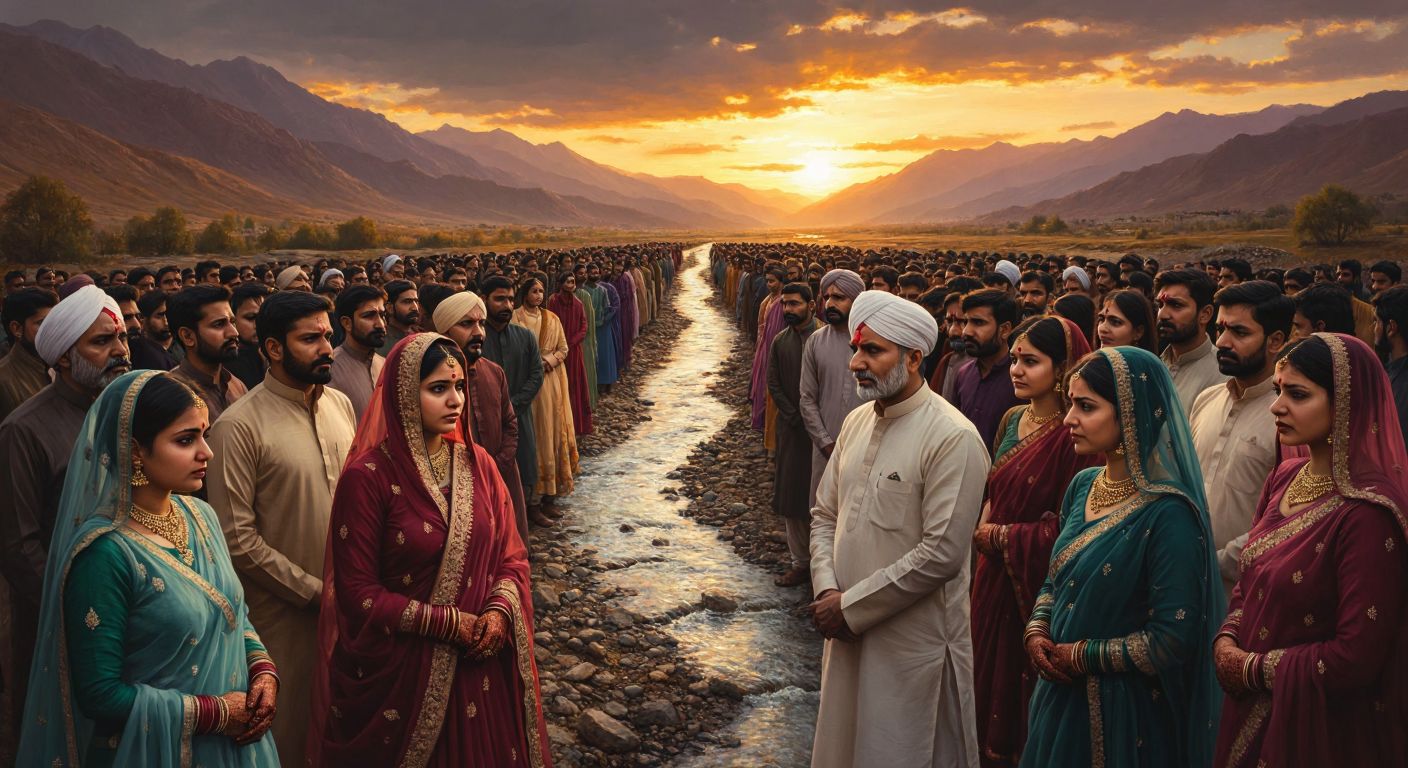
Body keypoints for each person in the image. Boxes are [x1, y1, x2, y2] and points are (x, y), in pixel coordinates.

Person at [306, 334, 551, 767]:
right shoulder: (368, 478)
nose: (454, 400)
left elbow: (511, 559)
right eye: (437, 388)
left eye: (458, 387)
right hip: (401, 675)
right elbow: (358, 594)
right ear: (403, 394)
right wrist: (448, 624)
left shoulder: (480, 465)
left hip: (481, 663)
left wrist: (498, 612)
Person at [18, 372, 280, 766]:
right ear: (136, 450)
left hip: (236, 745)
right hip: (158, 751)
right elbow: (100, 695)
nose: (206, 452)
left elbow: (233, 613)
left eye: (204, 435)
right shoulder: (106, 554)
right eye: (185, 440)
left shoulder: (201, 516)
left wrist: (262, 670)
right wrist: (215, 713)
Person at [809, 290, 989, 768]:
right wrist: (828, 589)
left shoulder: (953, 438)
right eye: (855, 350)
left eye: (873, 351)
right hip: (844, 630)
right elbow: (825, 513)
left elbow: (941, 555)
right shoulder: (855, 423)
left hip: (911, 646)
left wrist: (850, 608)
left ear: (913, 358)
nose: (856, 364)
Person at [1021, 347, 1223, 768]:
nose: (1069, 419)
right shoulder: (1083, 485)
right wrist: (1038, 630)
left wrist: (1079, 656)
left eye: (1087, 407)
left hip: (1124, 719)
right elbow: (1056, 580)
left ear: (1134, 415)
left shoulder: (1169, 514)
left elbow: (1172, 639)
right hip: (1057, 698)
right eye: (1071, 403)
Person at [1212, 333, 1408, 767]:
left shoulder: (1367, 514)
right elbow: (1251, 579)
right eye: (1279, 390)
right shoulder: (1284, 476)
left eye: (1298, 394)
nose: (1276, 406)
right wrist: (1228, 636)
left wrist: (1251, 669)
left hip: (1317, 731)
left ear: (1348, 405)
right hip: (1248, 707)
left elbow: (1356, 657)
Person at [205, 291, 357, 767]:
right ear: (273, 348)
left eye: (327, 336)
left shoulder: (341, 406)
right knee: (289, 738)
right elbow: (237, 541)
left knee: (348, 727)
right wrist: (316, 593)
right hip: (282, 622)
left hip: (352, 608)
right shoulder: (237, 428)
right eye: (309, 339)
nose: (326, 348)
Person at [0, 285, 131, 727]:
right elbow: (19, 546)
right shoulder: (24, 430)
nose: (120, 351)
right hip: (59, 616)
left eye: (123, 338)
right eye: (101, 342)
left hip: (136, 606)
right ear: (61, 358)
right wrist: (82, 610)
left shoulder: (129, 413)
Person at [970, 317, 1098, 767]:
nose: (1017, 371)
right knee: (984, 681)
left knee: (1021, 691)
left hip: (1036, 584)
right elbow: (994, 491)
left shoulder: (1076, 436)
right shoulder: (1012, 418)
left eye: (1031, 362)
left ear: (1063, 368)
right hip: (990, 574)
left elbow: (1075, 524)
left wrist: (1004, 537)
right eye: (1015, 360)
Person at [1189, 281, 1291, 594]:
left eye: (1240, 332)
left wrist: (1211, 562)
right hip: (1181, 579)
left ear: (1275, 341)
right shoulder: (1206, 399)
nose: (1221, 342)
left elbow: (1283, 519)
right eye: (1220, 329)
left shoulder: (1288, 418)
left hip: (1245, 591)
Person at [434, 291, 529, 544]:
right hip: (455, 487)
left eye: (481, 323)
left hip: (501, 475)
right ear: (444, 331)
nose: (478, 332)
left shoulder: (494, 372)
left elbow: (510, 423)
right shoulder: (433, 381)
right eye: (466, 324)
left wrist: (497, 464)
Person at [799, 269, 865, 568]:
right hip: (824, 450)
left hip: (867, 449)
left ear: (857, 299)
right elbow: (807, 399)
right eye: (826, 297)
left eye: (839, 297)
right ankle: (822, 583)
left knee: (861, 518)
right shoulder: (815, 342)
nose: (830, 304)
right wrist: (825, 443)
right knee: (823, 515)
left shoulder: (873, 341)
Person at [767, 283, 822, 590]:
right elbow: (773, 383)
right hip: (791, 429)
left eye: (795, 304)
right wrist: (793, 415)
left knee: (824, 496)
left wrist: (816, 420)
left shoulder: (826, 337)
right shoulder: (780, 341)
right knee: (792, 497)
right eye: (785, 304)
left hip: (824, 433)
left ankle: (825, 564)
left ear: (811, 306)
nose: (788, 309)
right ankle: (800, 562)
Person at [513, 277, 579, 514]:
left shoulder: (552, 319)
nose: (539, 295)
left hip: (551, 383)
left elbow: (563, 348)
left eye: (541, 291)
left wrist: (548, 361)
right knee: (534, 435)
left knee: (551, 430)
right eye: (534, 291)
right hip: (527, 383)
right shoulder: (515, 318)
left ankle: (550, 495)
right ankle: (531, 499)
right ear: (525, 293)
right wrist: (533, 364)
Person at [482, 276, 544, 525]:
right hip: (485, 421)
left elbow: (536, 373)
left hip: (520, 414)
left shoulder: (525, 337)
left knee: (525, 464)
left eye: (510, 299)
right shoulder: (476, 338)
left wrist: (514, 405)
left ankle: (527, 514)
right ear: (483, 299)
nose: (506, 305)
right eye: (499, 299)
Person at [167, 285, 247, 424]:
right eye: (219, 324)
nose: (234, 332)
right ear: (188, 336)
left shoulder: (236, 385)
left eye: (232, 322)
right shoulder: (173, 394)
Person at [954, 288, 1022, 451]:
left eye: (978, 322)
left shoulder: (1020, 378)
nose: (966, 332)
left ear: (1005, 329)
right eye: (966, 322)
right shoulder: (963, 373)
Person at [1155, 268, 1227, 413]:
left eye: (1176, 305)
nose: (1162, 315)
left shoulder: (1222, 377)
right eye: (1160, 305)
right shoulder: (1154, 365)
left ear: (1205, 314)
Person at [328, 284, 387, 424]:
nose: (380, 324)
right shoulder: (330, 369)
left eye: (382, 315)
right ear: (347, 323)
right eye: (369, 316)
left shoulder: (385, 364)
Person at [0, 287, 57, 424]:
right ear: (17, 329)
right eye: (42, 323)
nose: (52, 329)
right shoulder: (3, 380)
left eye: (54, 321)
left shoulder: (64, 364)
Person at [546, 272, 594, 435]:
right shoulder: (553, 301)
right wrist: (559, 343)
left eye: (573, 282)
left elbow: (584, 326)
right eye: (568, 281)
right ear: (561, 284)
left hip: (574, 352)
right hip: (556, 350)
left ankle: (577, 425)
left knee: (575, 385)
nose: (572, 284)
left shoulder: (578, 304)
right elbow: (550, 323)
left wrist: (572, 342)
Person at [1375, 284, 1408, 444]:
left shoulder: (1402, 387)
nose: (1373, 328)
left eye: (1376, 322)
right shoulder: (1391, 367)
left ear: (1391, 327)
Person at [226, 283, 270, 390]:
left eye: (264, 317)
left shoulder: (274, 352)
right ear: (232, 319)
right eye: (251, 317)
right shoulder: (226, 364)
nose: (259, 324)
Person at [1096, 289, 1158, 354]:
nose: (1102, 329)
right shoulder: (1092, 363)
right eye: (1101, 319)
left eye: (1115, 322)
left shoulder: (1145, 364)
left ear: (1138, 332)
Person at [572, 266, 600, 408]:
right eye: (580, 273)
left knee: (586, 371)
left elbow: (588, 322)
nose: (583, 276)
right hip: (573, 341)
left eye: (584, 273)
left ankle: (588, 403)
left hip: (584, 340)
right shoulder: (569, 295)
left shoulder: (584, 295)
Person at [132, 289, 180, 369]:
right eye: (160, 315)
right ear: (144, 319)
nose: (166, 322)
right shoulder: (140, 353)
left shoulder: (183, 345)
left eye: (169, 314)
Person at [380, 280, 420, 356]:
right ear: (390, 308)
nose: (415, 307)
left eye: (416, 301)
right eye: (407, 302)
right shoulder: (382, 343)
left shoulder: (420, 334)